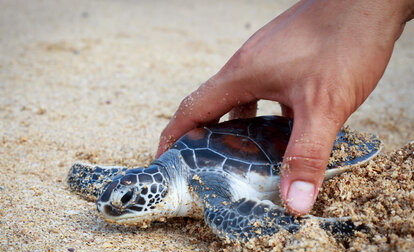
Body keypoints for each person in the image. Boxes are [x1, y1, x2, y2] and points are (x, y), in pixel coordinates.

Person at [156, 0, 414, 215]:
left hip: (314, 150)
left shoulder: (205, 187)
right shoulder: (173, 164)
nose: (114, 208)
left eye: (126, 199)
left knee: (225, 217)